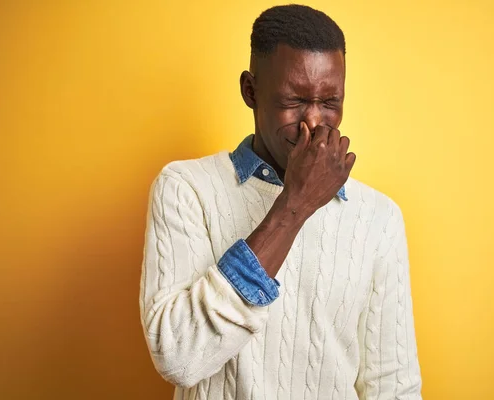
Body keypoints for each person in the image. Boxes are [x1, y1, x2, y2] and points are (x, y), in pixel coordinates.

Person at [139, 4, 422, 399]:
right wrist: (295, 204)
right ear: (250, 91)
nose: (313, 122)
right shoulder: (185, 189)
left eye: (330, 102)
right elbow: (179, 358)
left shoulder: (379, 217)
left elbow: (393, 385)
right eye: (294, 101)